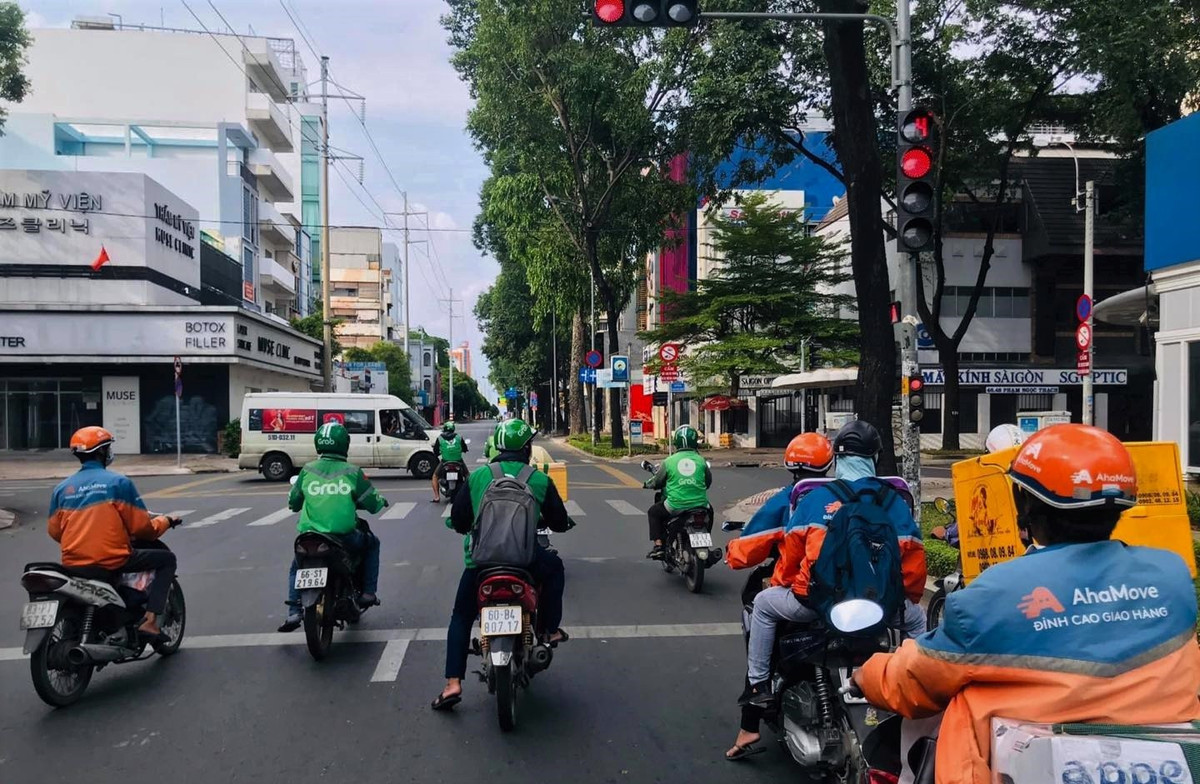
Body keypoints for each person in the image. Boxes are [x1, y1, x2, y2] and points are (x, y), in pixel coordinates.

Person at [854, 424, 1200, 784]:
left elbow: (916, 680)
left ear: (1025, 504)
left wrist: (869, 674)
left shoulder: (993, 593)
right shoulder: (1171, 575)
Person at [727, 419, 927, 761]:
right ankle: (922, 686)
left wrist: (783, 585)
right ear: (876, 457)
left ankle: (758, 687)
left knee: (763, 604)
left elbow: (790, 560)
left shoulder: (814, 498)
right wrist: (903, 600)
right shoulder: (894, 501)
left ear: (837, 459)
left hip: (817, 605)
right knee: (919, 620)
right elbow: (913, 566)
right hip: (881, 607)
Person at [432, 418, 573, 711]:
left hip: (480, 565)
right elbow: (559, 522)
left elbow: (459, 520)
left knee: (461, 616)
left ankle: (452, 683)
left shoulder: (478, 477)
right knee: (555, 567)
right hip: (526, 562)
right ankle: (549, 630)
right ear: (527, 448)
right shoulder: (538, 479)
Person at [47, 427, 182, 640]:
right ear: (102, 452)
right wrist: (165, 521)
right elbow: (142, 529)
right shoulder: (119, 483)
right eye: (108, 447)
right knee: (167, 560)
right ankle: (150, 621)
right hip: (112, 559)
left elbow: (55, 532)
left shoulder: (62, 489)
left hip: (72, 563)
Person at [277, 422, 387, 633]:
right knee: (372, 543)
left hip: (310, 537)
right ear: (345, 444)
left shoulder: (306, 471)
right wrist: (381, 501)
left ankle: (293, 612)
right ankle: (368, 592)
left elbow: (294, 503)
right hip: (343, 538)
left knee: (296, 566)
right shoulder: (353, 472)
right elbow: (373, 504)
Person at [725, 432, 834, 577]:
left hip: (800, 581)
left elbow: (748, 549)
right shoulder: (844, 493)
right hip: (848, 580)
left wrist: (732, 552)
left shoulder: (786, 500)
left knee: (763, 591)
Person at [644, 425, 713, 561]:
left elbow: (657, 481)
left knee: (654, 512)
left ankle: (659, 546)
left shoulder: (669, 461)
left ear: (676, 442)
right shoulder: (701, 461)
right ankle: (706, 540)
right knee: (710, 512)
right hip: (700, 505)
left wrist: (647, 484)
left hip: (675, 506)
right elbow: (708, 482)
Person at [431, 420, 468, 503]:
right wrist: (464, 450)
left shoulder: (440, 438)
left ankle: (437, 497)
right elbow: (464, 448)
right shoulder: (459, 437)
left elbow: (435, 451)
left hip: (445, 461)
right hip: (458, 461)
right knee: (467, 475)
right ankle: (469, 494)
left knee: (435, 476)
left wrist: (438, 453)